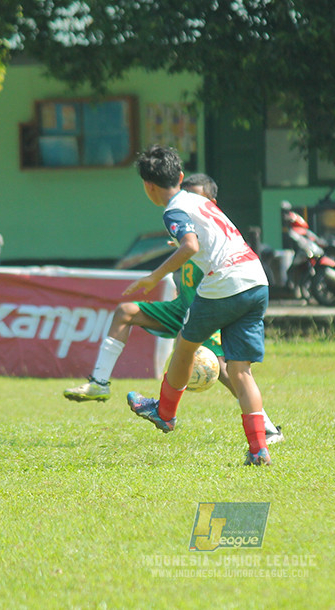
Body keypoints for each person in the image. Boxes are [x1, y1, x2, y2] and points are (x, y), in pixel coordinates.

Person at [65, 171, 283, 446]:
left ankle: (264, 427)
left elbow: (201, 257)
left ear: (211, 203)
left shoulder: (212, 234)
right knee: (126, 312)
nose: (190, 203)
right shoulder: (188, 231)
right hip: (188, 307)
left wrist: (159, 271)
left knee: (225, 370)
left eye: (197, 197)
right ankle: (99, 382)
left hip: (214, 305)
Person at [123, 145, 274, 466]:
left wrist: (153, 278)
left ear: (148, 187)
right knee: (240, 371)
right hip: (256, 278)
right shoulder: (201, 201)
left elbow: (190, 245)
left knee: (184, 347)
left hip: (225, 283)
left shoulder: (172, 211)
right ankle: (259, 448)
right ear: (179, 176)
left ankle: (164, 413)